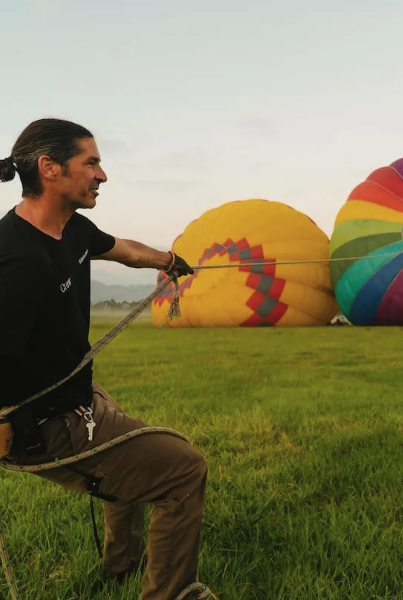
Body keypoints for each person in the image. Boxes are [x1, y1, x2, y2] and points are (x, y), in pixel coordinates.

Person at [0, 118, 211, 600]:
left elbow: (124, 251)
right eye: (90, 162)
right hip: (42, 422)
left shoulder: (73, 230)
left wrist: (165, 261)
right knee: (182, 471)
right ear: (49, 169)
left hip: (79, 397)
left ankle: (119, 570)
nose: (102, 174)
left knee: (135, 453)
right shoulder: (17, 259)